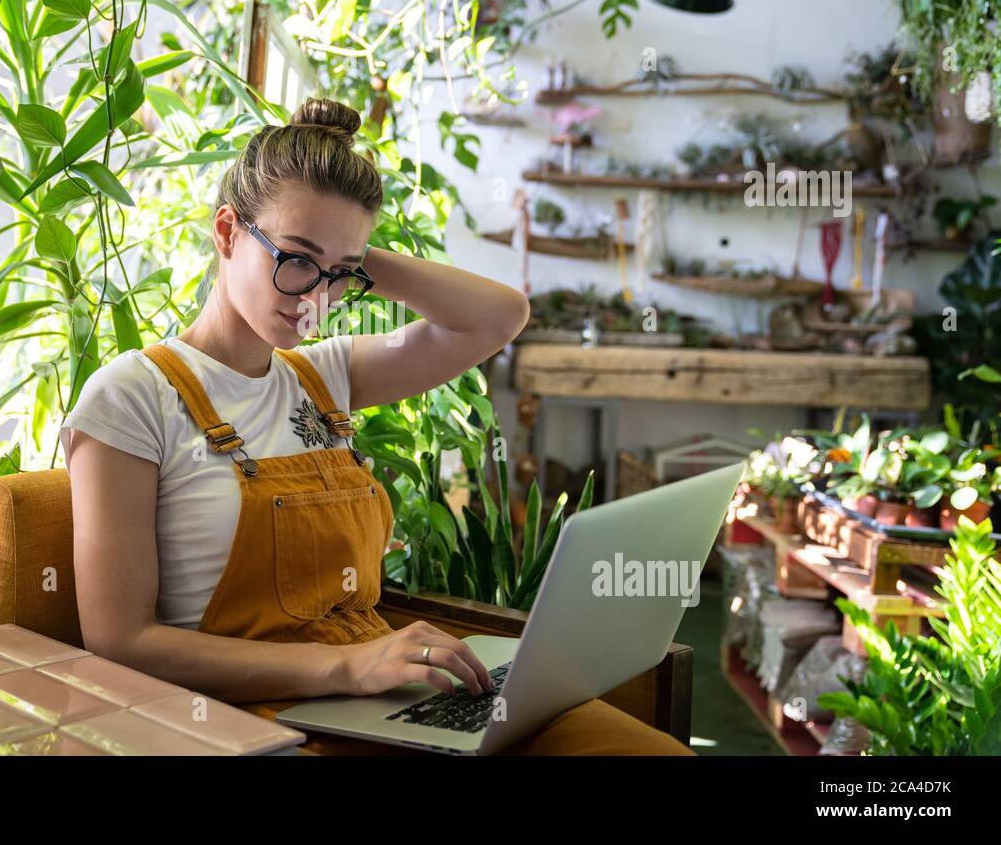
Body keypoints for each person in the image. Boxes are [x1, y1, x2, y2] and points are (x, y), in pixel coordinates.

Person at [61, 97, 692, 756]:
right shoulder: (134, 395)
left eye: (338, 276)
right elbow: (120, 641)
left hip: (377, 688)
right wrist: (347, 668)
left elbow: (498, 318)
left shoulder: (322, 376)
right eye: (297, 260)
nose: (315, 299)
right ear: (226, 233)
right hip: (254, 716)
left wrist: (349, 252)